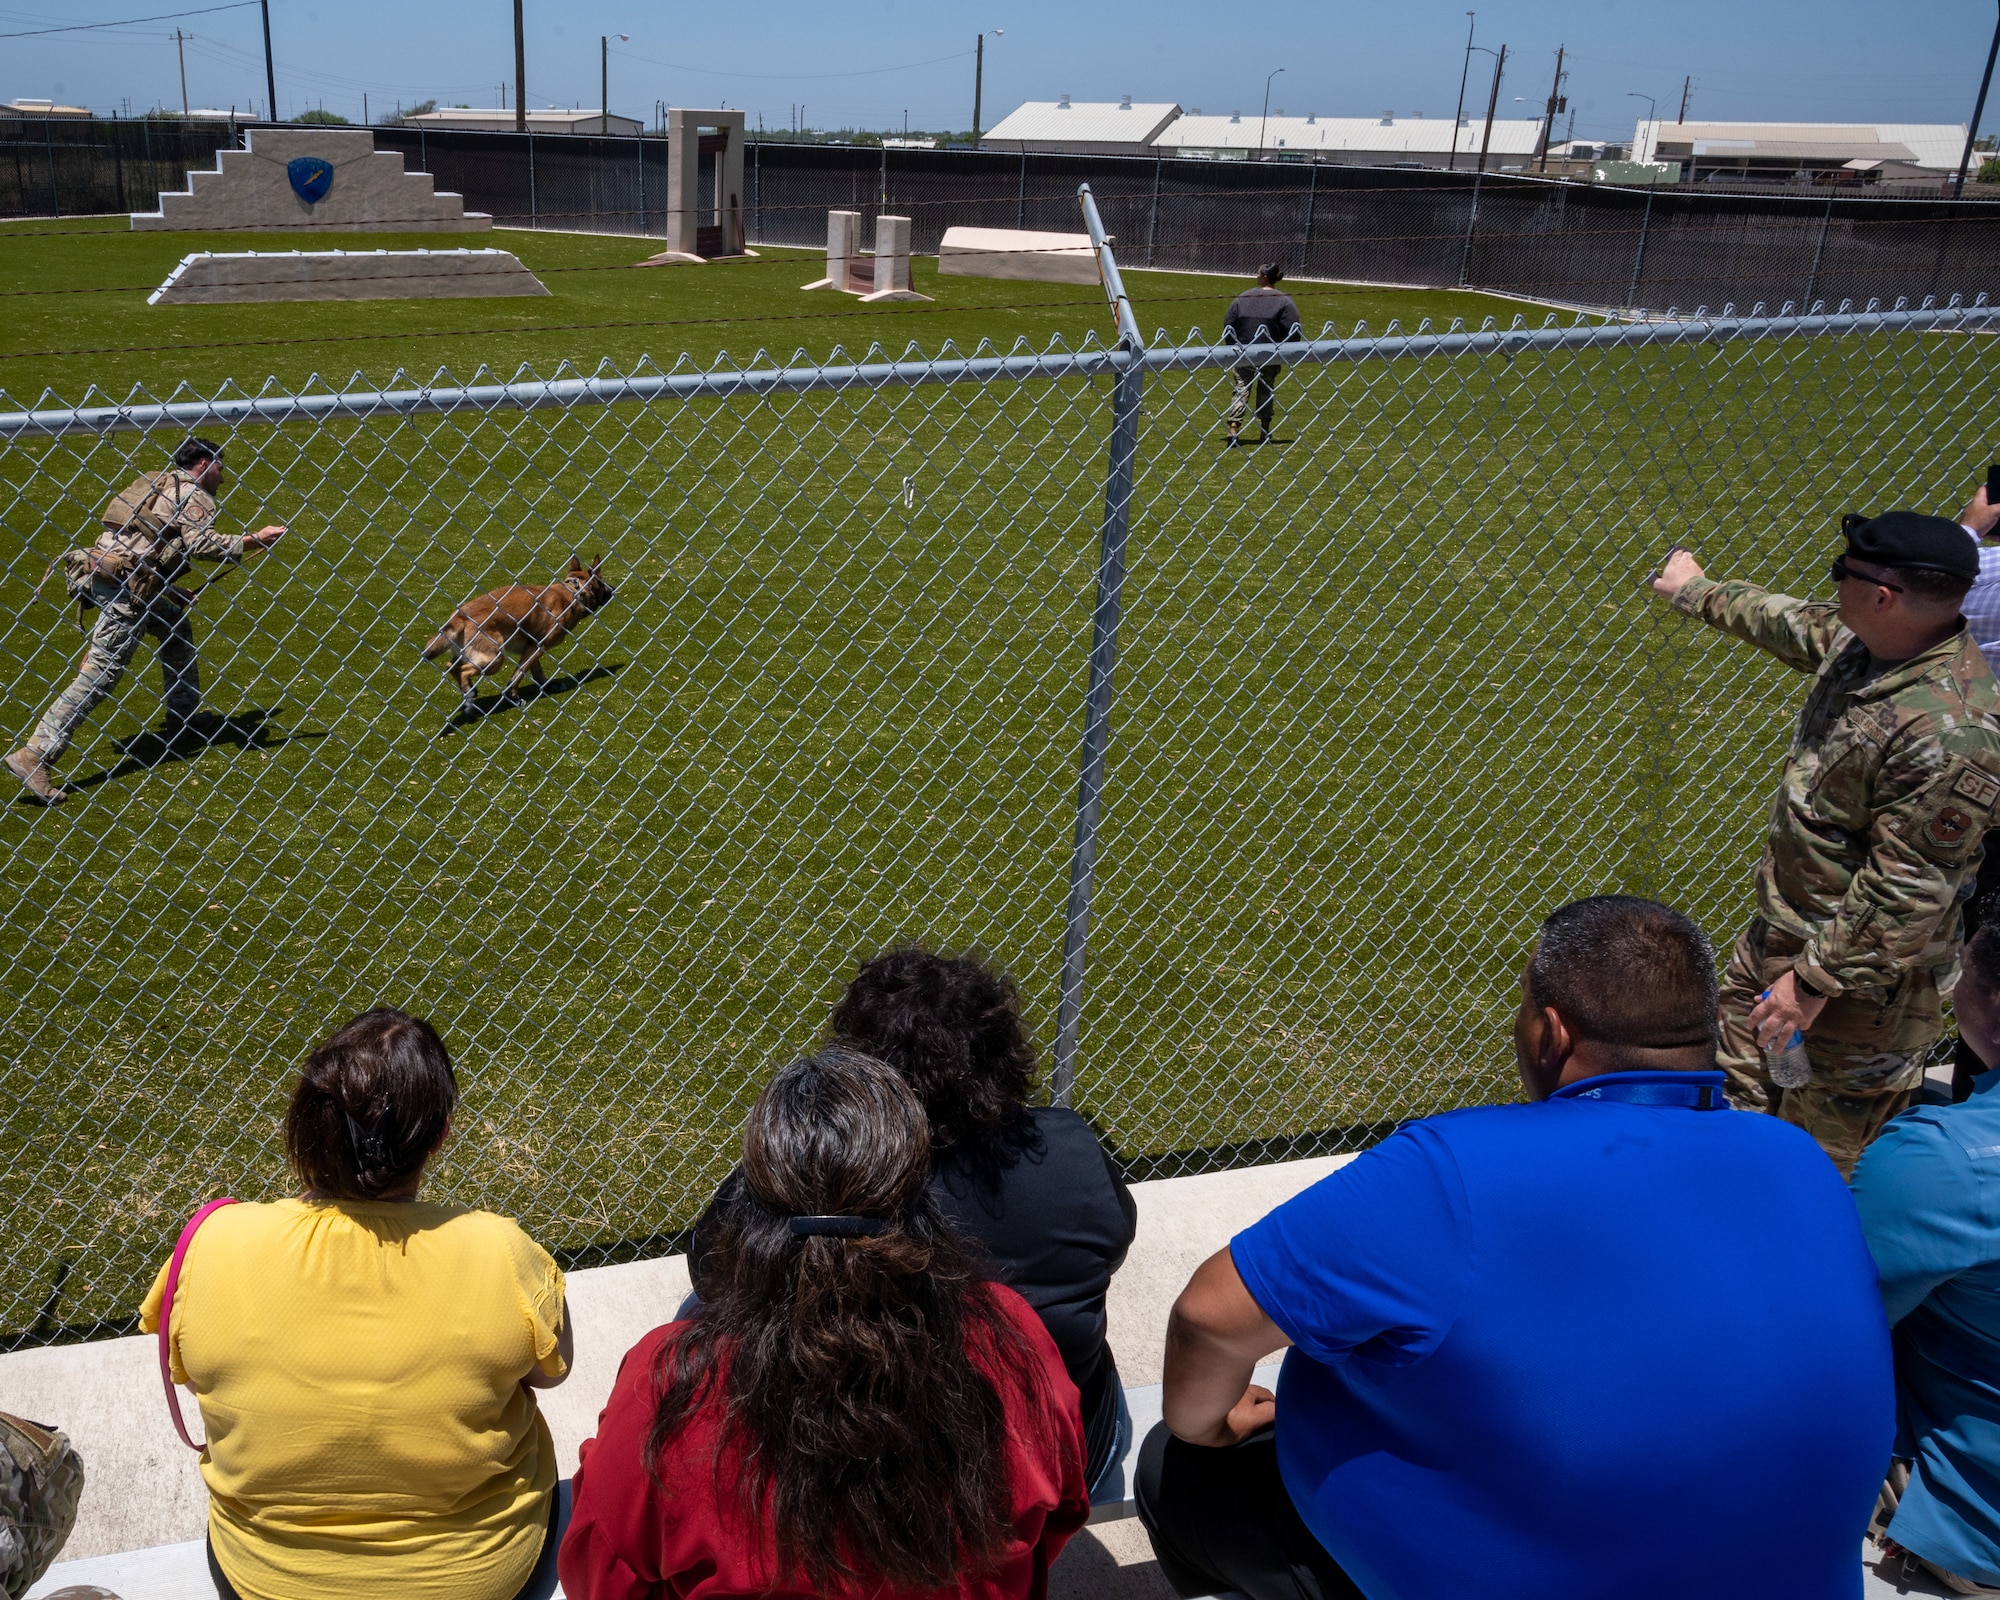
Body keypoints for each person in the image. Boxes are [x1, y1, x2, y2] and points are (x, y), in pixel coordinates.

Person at [1135, 895, 1894, 1600]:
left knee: (1179, 1468)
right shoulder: (1799, 1159)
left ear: (1553, 1032)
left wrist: (1213, 1422)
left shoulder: (1449, 1170)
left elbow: (1209, 1316)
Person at [558, 1047, 1089, 1600]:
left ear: (751, 1210)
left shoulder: (669, 1384)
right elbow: (1061, 1512)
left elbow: (598, 1577)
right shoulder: (1010, 1340)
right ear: (916, 1201)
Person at [139, 1008, 572, 1600]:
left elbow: (199, 1377)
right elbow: (550, 1374)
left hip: (266, 1580)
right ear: (440, 1135)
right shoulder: (501, 1251)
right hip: (481, 1577)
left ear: (307, 1123)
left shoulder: (211, 1246)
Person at [690, 946, 1138, 1496]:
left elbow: (710, 1272)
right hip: (1062, 1449)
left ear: (862, 1070)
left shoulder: (811, 1185)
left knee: (699, 1314)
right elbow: (1112, 1240)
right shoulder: (1075, 1147)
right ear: (1003, 1055)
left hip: (890, 1473)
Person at [1652, 513, 2000, 1172]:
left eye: (1843, 573)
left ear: (1883, 595)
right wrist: (1691, 589)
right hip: (1779, 947)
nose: (1832, 584)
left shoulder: (1950, 735)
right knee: (1729, 1127)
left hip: (1859, 997)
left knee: (1823, 1167)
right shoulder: (1865, 645)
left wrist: (1810, 984)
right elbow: (1787, 620)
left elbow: (1907, 892)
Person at [7, 436, 287, 805]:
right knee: (101, 674)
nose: (223, 478)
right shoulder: (195, 495)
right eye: (220, 468)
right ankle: (35, 755)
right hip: (125, 591)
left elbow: (140, 545)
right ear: (203, 464)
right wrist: (256, 539)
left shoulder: (156, 483)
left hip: (109, 574)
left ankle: (182, 715)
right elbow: (201, 545)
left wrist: (168, 591)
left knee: (175, 627)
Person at [1852, 915, 2000, 1595]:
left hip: (1979, 1532)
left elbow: (1824, 1328)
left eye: (1960, 977)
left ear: (1991, 1010)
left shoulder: (1940, 1159)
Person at [1221, 263, 1302, 446]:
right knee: (1266, 389)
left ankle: (1234, 428)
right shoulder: (1284, 302)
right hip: (1271, 354)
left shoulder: (1244, 297)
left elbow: (1229, 324)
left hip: (1244, 352)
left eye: (1258, 273)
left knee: (1241, 389)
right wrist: (1284, 351)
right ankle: (1265, 430)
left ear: (1264, 277)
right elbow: (1293, 330)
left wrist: (1233, 347)